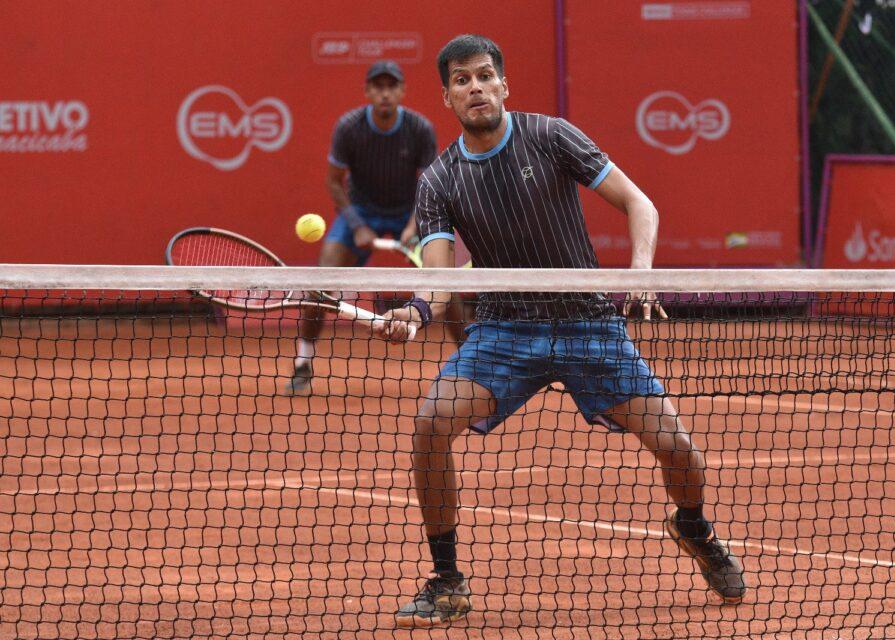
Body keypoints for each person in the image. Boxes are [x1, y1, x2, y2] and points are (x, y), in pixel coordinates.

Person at [376, 35, 747, 627]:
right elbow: (439, 274)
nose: (475, 87)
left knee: (676, 447)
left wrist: (641, 274)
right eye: (461, 81)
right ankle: (447, 580)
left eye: (484, 76)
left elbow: (638, 202)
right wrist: (417, 310)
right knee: (430, 423)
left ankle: (693, 527)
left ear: (504, 85)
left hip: (587, 322)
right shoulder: (439, 179)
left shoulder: (551, 136)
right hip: (505, 330)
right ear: (447, 97)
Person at [287, 60, 437, 394]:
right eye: (378, 87)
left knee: (444, 281)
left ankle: (467, 363)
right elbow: (334, 183)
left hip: (406, 211)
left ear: (401, 91)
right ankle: (303, 362)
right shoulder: (349, 127)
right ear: (368, 91)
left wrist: (414, 224)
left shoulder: (420, 129)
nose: (385, 93)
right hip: (361, 212)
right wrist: (357, 226)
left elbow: (429, 184)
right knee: (319, 286)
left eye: (391, 86)